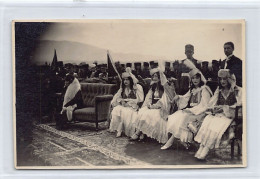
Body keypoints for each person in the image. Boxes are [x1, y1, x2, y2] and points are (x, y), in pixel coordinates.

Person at [194, 69, 242, 160]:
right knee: (208, 120)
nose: (222, 81)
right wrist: (215, 108)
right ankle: (202, 146)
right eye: (221, 79)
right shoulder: (219, 90)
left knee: (215, 125)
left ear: (230, 79)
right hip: (219, 115)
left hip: (230, 116)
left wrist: (225, 107)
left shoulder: (237, 90)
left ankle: (206, 148)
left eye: (225, 79)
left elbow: (239, 105)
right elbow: (212, 103)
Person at [161, 68, 212, 150]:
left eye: (197, 78)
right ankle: (179, 141)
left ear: (200, 78)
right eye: (193, 78)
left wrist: (191, 110)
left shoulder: (204, 89)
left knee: (182, 117)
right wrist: (179, 97)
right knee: (177, 116)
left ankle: (172, 142)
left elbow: (205, 105)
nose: (195, 80)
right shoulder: (192, 89)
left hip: (200, 113)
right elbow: (185, 98)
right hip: (192, 111)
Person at [131, 68, 176, 143]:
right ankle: (141, 132)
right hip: (153, 106)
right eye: (153, 76)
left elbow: (165, 101)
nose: (154, 78)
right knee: (142, 111)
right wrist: (149, 104)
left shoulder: (167, 88)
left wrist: (154, 106)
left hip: (162, 108)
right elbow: (148, 98)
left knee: (150, 114)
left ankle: (139, 132)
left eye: (157, 76)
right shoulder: (153, 87)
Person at [109, 67, 144, 137]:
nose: (125, 81)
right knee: (117, 109)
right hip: (124, 105)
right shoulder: (122, 88)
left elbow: (140, 99)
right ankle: (120, 128)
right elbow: (117, 97)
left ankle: (125, 129)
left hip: (133, 106)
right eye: (124, 80)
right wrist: (121, 101)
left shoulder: (137, 87)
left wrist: (129, 103)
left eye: (127, 79)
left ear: (131, 80)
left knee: (128, 112)